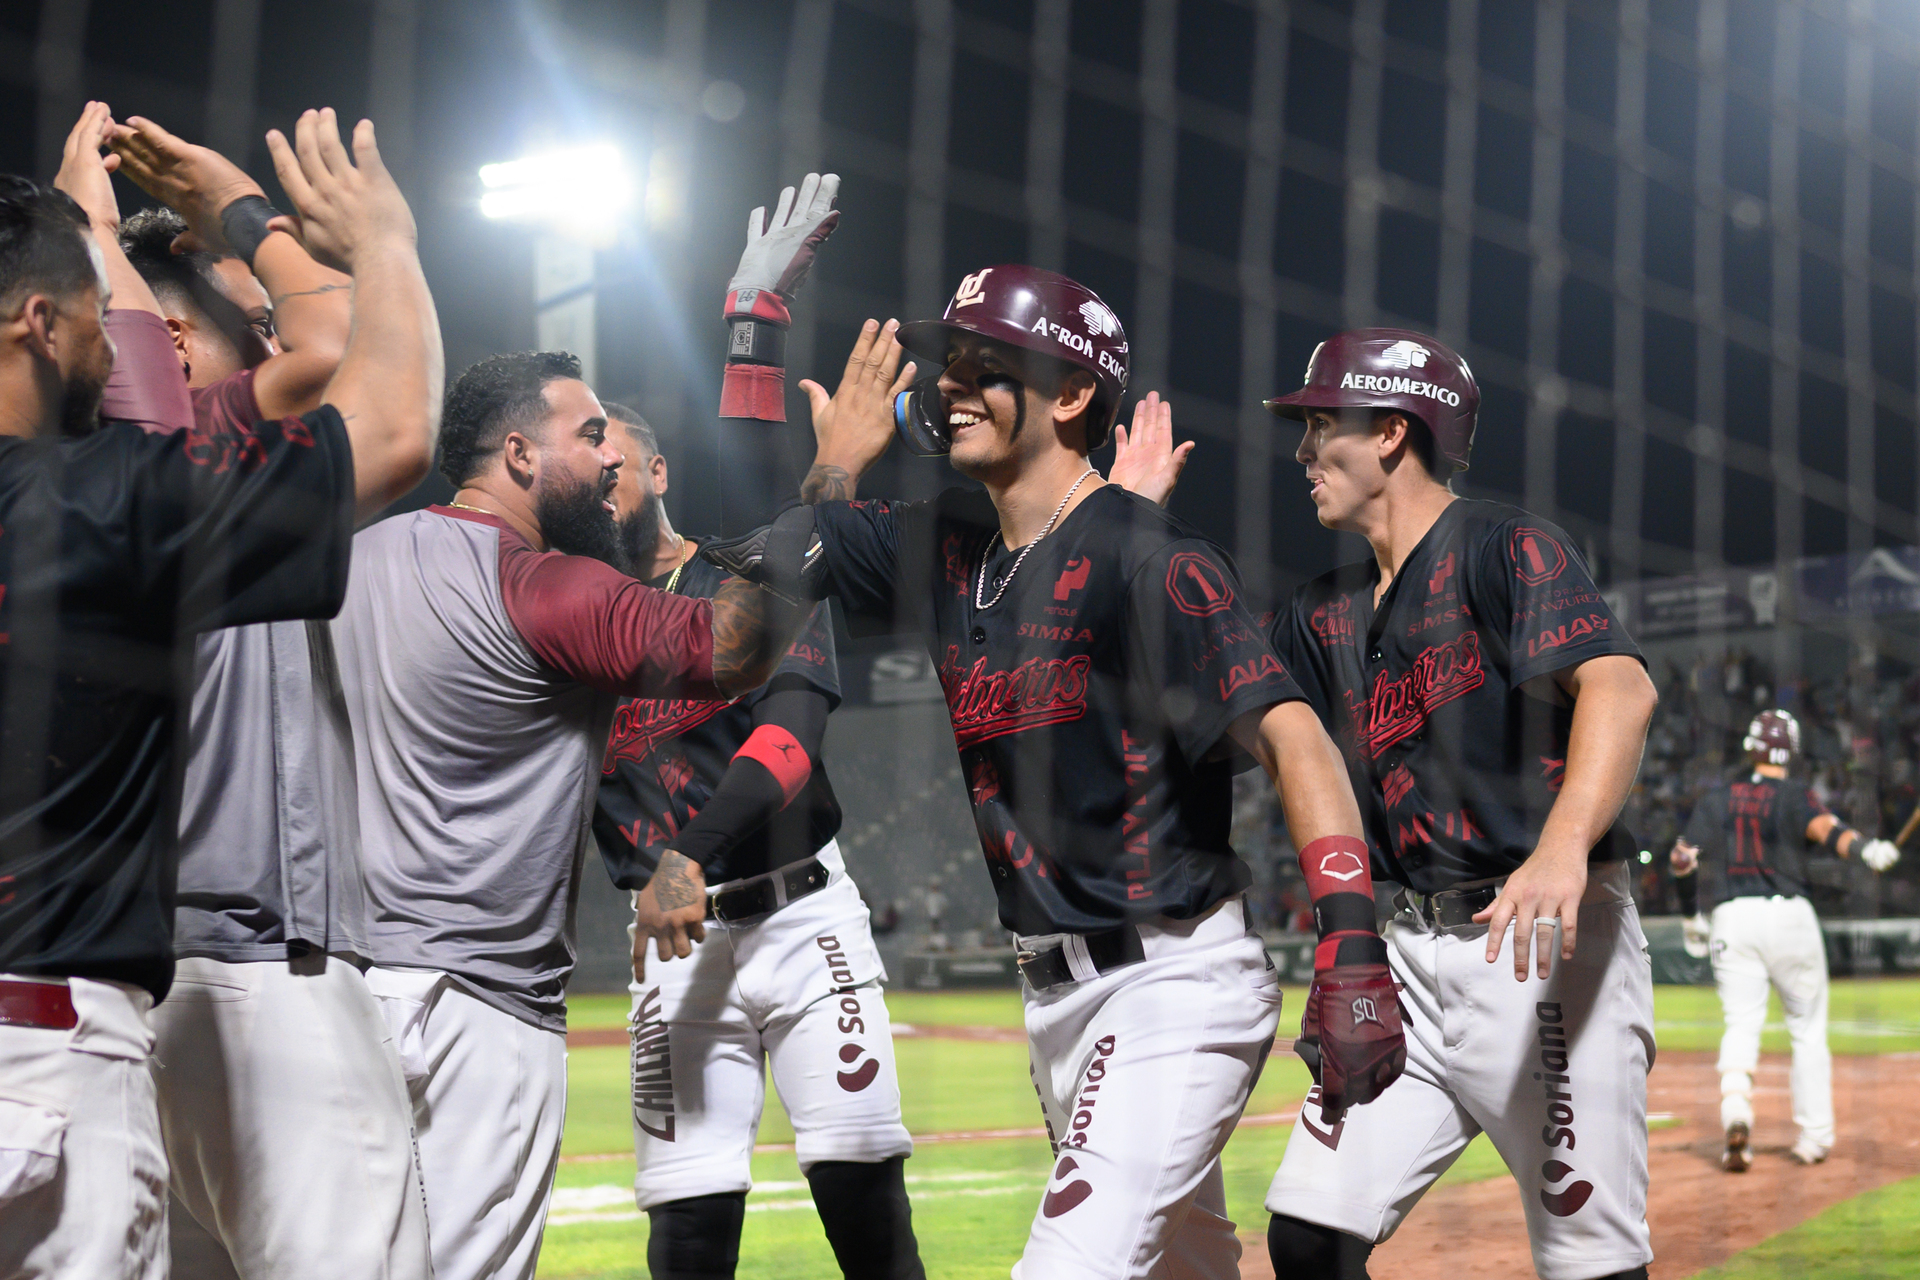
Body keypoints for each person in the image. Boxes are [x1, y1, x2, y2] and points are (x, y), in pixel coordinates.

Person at [705, 266, 1402, 1280]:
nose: (950, 385)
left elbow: (1296, 738)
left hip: (1173, 984)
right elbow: (750, 592)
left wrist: (1348, 938)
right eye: (947, 365)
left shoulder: (1147, 554)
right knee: (1188, 1267)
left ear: (1073, 395)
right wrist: (784, 385)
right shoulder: (943, 547)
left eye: (989, 366)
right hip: (1055, 1001)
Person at [333, 170, 834, 1273]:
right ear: (519, 455)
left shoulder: (348, 562)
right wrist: (820, 472)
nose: (613, 457)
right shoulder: (549, 586)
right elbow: (738, 640)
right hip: (482, 1008)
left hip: (339, 994)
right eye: (591, 433)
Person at [0, 101, 438, 1280]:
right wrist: (350, 233)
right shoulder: (118, 491)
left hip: (147, 994)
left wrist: (84, 229)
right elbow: (379, 400)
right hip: (115, 1016)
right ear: (43, 323)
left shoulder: (122, 464)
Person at [1253, 328, 1660, 1280]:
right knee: (1308, 1237)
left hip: (1545, 947)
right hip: (1405, 958)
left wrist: (1563, 847)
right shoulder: (1321, 612)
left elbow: (1621, 687)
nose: (1303, 452)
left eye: (1321, 426)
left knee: (1588, 1259)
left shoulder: (1503, 545)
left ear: (1392, 432)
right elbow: (1233, 721)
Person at [595, 403, 923, 1280]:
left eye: (612, 456)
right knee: (686, 1227)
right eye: (580, 460)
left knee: (863, 1207)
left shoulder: (749, 575)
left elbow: (787, 743)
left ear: (658, 472)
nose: (597, 476)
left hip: (803, 922)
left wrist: (686, 853)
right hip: (673, 945)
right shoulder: (578, 624)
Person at [1670, 708, 1900, 1171]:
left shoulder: (1718, 798)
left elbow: (1681, 859)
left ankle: (1736, 1111)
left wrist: (1690, 914)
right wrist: (1868, 850)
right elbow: (1831, 833)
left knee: (1741, 1024)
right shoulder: (1796, 795)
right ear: (1791, 752)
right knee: (1807, 1033)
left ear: (1751, 747)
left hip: (1732, 920)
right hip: (1789, 917)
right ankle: (1813, 1139)